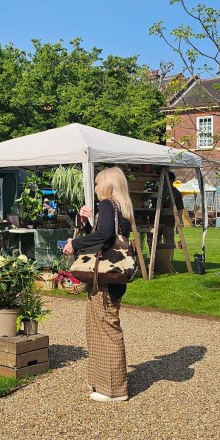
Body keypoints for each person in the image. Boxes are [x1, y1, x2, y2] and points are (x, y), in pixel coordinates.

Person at [62, 167, 132, 403]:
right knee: (104, 326)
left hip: (104, 278)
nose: (95, 187)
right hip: (113, 275)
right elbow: (104, 237)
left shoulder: (107, 204)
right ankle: (104, 382)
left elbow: (103, 236)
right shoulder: (122, 207)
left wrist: (74, 243)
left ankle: (114, 389)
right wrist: (83, 222)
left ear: (107, 185)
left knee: (105, 329)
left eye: (97, 183)